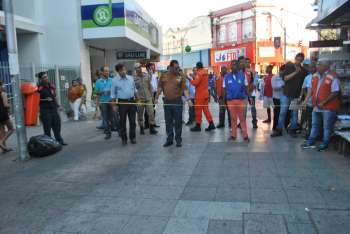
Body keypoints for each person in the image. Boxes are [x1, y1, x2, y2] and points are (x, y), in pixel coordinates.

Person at [303, 60, 340, 151]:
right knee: (315, 124)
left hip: (328, 107)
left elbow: (335, 92)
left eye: (319, 64)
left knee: (326, 126)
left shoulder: (333, 77)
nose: (317, 66)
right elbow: (311, 90)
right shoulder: (315, 76)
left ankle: (325, 143)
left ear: (326, 66)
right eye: (317, 64)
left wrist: (324, 102)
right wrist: (306, 100)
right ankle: (310, 141)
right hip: (316, 106)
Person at [155, 60, 192, 147]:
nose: (177, 70)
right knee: (168, 121)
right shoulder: (164, 75)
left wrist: (189, 100)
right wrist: (156, 97)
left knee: (178, 121)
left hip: (177, 102)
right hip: (167, 102)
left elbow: (185, 89)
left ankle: (178, 139)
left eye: (178, 68)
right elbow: (160, 87)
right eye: (175, 68)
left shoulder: (181, 76)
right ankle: (169, 139)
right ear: (170, 67)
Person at [271, 53, 308, 137]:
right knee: (282, 112)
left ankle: (293, 130)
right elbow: (285, 78)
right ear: (295, 58)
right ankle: (279, 129)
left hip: (296, 95)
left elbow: (304, 85)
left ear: (302, 60)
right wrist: (295, 72)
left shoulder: (304, 71)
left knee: (294, 114)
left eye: (300, 60)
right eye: (297, 59)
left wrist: (301, 96)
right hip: (286, 94)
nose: (298, 61)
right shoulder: (289, 66)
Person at [111, 63, 138, 145]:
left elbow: (134, 90)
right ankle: (124, 139)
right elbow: (113, 94)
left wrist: (137, 99)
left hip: (132, 101)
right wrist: (114, 105)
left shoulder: (130, 78)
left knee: (133, 121)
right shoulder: (114, 80)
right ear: (118, 71)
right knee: (122, 121)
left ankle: (132, 138)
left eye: (124, 69)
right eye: (121, 70)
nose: (123, 71)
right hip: (122, 102)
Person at [37, 72, 67, 145]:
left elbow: (54, 97)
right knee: (47, 128)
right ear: (40, 79)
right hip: (45, 110)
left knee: (57, 125)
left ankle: (59, 140)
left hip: (53, 109)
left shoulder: (52, 86)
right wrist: (45, 100)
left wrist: (58, 106)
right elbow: (36, 100)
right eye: (44, 77)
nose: (46, 78)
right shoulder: (38, 88)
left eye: (46, 76)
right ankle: (49, 143)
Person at [224, 60, 249, 142]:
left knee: (242, 119)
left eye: (235, 64)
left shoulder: (243, 75)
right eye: (232, 65)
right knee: (233, 118)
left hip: (240, 100)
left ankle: (245, 136)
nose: (233, 66)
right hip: (230, 101)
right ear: (230, 66)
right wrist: (225, 99)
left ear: (238, 66)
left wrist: (248, 97)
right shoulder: (226, 76)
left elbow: (246, 87)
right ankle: (233, 135)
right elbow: (224, 88)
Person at [190, 62, 215, 132]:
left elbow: (195, 83)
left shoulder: (199, 73)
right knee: (206, 110)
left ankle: (198, 126)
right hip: (206, 94)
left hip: (200, 95)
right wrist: (194, 77)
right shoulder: (205, 73)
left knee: (198, 110)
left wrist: (190, 79)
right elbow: (200, 81)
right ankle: (211, 123)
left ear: (197, 67)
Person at [133, 63, 157, 135]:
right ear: (135, 69)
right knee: (140, 115)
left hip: (148, 98)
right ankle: (141, 127)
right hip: (140, 99)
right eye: (137, 68)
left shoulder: (146, 75)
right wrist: (136, 99)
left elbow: (150, 86)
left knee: (151, 113)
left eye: (140, 67)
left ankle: (152, 128)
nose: (139, 68)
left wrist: (152, 97)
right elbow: (133, 90)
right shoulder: (133, 78)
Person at [95, 67, 114, 140]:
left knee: (114, 117)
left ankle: (119, 131)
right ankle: (108, 133)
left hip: (111, 101)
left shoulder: (112, 80)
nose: (107, 72)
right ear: (102, 72)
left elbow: (115, 90)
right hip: (103, 102)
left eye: (108, 71)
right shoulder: (98, 82)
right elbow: (96, 93)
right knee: (105, 118)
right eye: (106, 71)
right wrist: (102, 92)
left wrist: (110, 91)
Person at [300, 61, 317, 139]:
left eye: (313, 67)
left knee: (316, 120)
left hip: (318, 103)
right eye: (310, 67)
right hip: (309, 102)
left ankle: (316, 134)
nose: (311, 69)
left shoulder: (319, 76)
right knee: (309, 119)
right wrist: (304, 98)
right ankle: (309, 134)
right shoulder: (307, 77)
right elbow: (303, 88)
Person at [243, 57, 258, 129]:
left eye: (248, 62)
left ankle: (254, 122)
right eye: (246, 62)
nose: (247, 63)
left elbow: (255, 82)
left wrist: (251, 90)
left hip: (251, 93)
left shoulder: (253, 72)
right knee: (244, 109)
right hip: (244, 93)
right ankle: (242, 123)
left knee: (253, 108)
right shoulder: (242, 72)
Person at [145, 63, 160, 129]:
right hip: (148, 94)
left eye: (153, 67)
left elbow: (156, 85)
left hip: (154, 93)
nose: (153, 69)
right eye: (151, 67)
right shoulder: (146, 75)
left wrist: (156, 95)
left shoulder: (155, 75)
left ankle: (153, 123)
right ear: (148, 68)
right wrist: (150, 75)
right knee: (147, 110)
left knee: (153, 109)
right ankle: (146, 124)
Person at [0, 82, 14, 153]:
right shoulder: (3, 93)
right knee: (11, 129)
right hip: (3, 114)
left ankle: (4, 149)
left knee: (2, 131)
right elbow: (5, 105)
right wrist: (10, 105)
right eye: (2, 85)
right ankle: (1, 142)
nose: (4, 86)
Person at [271, 65, 285, 131]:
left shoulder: (285, 77)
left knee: (282, 113)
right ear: (280, 70)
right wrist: (282, 85)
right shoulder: (275, 77)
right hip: (276, 98)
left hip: (284, 98)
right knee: (277, 113)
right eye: (283, 71)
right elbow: (274, 87)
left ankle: (281, 126)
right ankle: (275, 127)